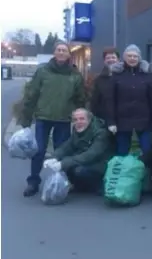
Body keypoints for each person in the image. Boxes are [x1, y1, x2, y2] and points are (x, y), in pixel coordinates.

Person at [19, 41, 86, 197]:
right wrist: (26, 119)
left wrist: (80, 119)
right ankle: (33, 182)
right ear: (54, 53)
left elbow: (80, 98)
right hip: (43, 117)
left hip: (64, 119)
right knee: (39, 151)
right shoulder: (43, 71)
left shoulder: (75, 75)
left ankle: (60, 183)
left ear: (69, 54)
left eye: (64, 50)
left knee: (61, 152)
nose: (61, 52)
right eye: (59, 50)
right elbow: (32, 95)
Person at [105, 45, 152, 156]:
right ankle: (122, 172)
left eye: (135, 56)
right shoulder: (116, 75)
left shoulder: (147, 75)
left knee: (147, 151)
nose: (132, 58)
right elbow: (110, 100)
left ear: (139, 58)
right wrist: (111, 121)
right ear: (124, 58)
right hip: (122, 122)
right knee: (122, 152)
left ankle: (147, 172)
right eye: (129, 56)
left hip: (144, 121)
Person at [43, 108, 114, 195]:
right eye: (75, 120)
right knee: (67, 164)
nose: (78, 122)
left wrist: (63, 163)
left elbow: (91, 154)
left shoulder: (101, 132)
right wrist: (54, 157)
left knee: (78, 170)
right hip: (87, 160)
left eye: (82, 119)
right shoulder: (77, 129)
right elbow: (67, 146)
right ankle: (80, 186)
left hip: (102, 163)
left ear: (89, 119)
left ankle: (99, 186)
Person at [90, 47, 119, 122]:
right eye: (108, 58)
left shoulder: (124, 76)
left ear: (118, 60)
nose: (111, 60)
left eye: (113, 57)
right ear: (104, 61)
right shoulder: (99, 79)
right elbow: (94, 101)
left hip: (121, 119)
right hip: (103, 118)